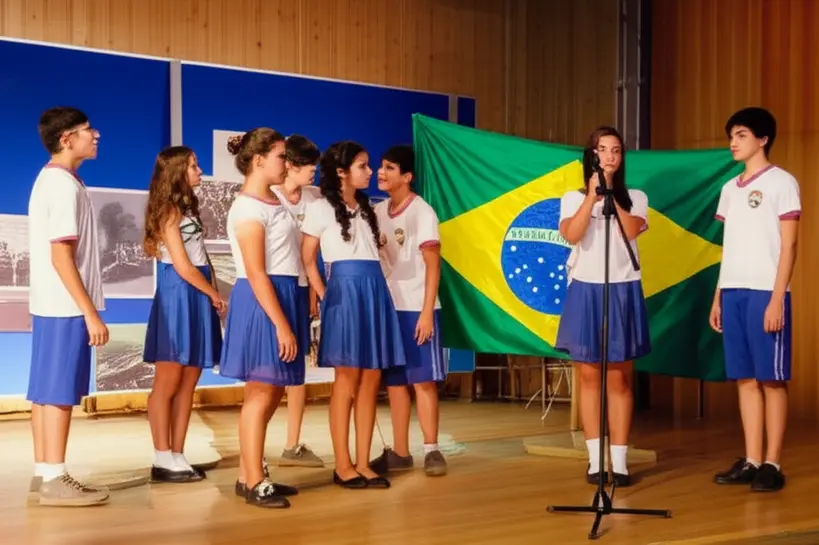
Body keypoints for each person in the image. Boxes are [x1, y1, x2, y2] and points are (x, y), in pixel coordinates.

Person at [301, 140, 406, 490]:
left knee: (371, 378)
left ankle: (364, 462)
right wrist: (324, 294)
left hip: (374, 291)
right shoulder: (319, 208)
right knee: (346, 381)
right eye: (362, 165)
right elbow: (307, 257)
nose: (370, 171)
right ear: (342, 171)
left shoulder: (368, 208)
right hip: (344, 293)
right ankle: (343, 464)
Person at [554, 126, 650, 487]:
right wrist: (592, 198)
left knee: (620, 377)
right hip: (585, 289)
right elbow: (572, 234)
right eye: (603, 150)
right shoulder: (573, 198)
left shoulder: (636, 197)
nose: (610, 156)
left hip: (623, 290)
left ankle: (620, 463)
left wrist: (612, 197)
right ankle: (595, 461)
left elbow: (631, 231)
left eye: (616, 150)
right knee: (590, 376)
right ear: (591, 155)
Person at [710, 107, 799, 493]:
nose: (733, 142)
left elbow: (789, 244)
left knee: (771, 380)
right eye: (731, 135)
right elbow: (728, 248)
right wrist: (717, 297)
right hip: (733, 291)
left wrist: (777, 298)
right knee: (745, 379)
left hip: (766, 292)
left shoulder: (783, 182)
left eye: (742, 134)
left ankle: (772, 463)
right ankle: (750, 459)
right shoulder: (729, 189)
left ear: (762, 139)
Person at [26, 106, 110, 506]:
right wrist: (90, 311)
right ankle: (55, 477)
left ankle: (44, 473)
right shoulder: (61, 185)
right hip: (65, 306)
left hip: (50, 303)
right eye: (87, 130)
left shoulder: (59, 181)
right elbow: (62, 256)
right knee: (58, 392)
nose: (95, 136)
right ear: (66, 139)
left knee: (46, 392)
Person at [218, 128, 304, 508]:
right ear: (258, 161)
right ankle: (253, 480)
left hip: (284, 295)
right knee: (260, 392)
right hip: (262, 301)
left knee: (274, 390)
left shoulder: (274, 200)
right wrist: (282, 323)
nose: (287, 163)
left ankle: (248, 472)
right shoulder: (248, 207)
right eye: (281, 156)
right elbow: (256, 272)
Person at [142, 146, 227, 483]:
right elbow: (181, 264)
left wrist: (208, 291)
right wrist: (212, 292)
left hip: (196, 294)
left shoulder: (187, 208)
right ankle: (161, 456)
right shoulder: (168, 211)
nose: (200, 170)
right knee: (169, 379)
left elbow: (198, 259)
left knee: (190, 377)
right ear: (177, 171)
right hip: (178, 294)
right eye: (193, 166)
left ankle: (178, 454)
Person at [371, 145, 448, 477]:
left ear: (407, 176)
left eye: (389, 168)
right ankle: (400, 452)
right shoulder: (376, 212)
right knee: (397, 383)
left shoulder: (422, 213)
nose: (381, 172)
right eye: (379, 166)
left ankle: (431, 449)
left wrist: (427, 312)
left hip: (418, 307)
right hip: (392, 308)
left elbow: (433, 267)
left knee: (423, 381)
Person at [270, 134, 324, 469]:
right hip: (272, 288)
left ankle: (292, 444)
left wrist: (312, 292)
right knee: (264, 372)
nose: (314, 172)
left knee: (297, 368)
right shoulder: (269, 196)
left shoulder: (315, 200)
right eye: (309, 166)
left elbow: (311, 253)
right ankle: (254, 446)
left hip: (300, 289)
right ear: (290, 165)